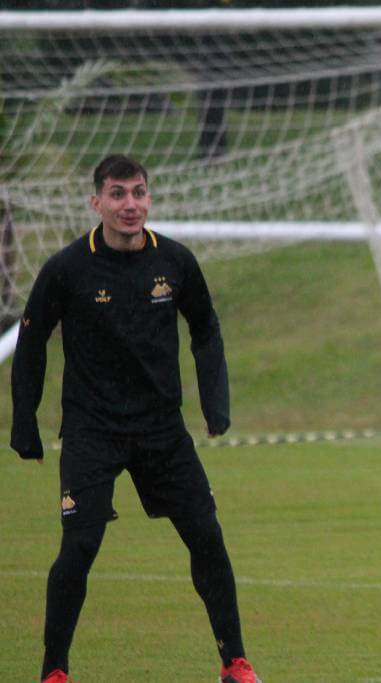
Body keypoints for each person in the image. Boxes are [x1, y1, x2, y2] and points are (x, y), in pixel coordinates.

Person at [9, 155, 261, 683]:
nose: (130, 205)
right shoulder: (67, 268)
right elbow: (31, 341)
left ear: (149, 199)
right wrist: (24, 421)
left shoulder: (175, 262)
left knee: (207, 538)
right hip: (91, 430)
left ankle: (234, 662)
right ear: (95, 202)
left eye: (139, 193)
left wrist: (216, 405)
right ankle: (54, 671)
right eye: (118, 194)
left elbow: (206, 328)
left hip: (161, 431)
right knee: (79, 545)